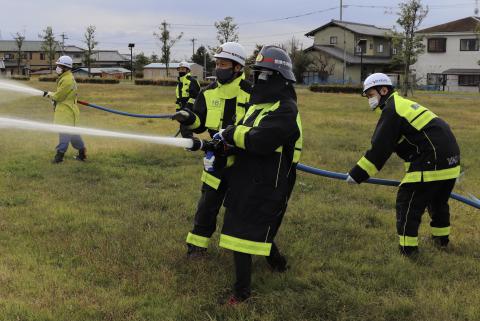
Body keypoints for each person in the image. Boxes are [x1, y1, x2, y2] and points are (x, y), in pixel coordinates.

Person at [214, 45, 302, 303]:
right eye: (257, 73)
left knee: (242, 233)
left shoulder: (286, 109)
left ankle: (241, 295)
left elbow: (261, 140)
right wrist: (221, 146)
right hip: (247, 175)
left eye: (263, 74)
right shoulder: (258, 105)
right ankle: (279, 264)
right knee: (253, 225)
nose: (257, 79)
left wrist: (229, 134)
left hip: (270, 181)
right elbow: (243, 133)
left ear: (278, 77)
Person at [347, 73, 461, 256]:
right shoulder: (402, 105)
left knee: (408, 202)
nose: (369, 99)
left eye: (370, 95)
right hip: (451, 159)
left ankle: (408, 250)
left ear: (383, 90)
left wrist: (357, 174)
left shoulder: (393, 110)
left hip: (432, 159)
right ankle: (441, 241)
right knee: (437, 201)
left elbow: (380, 148)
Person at [172, 42, 252, 257]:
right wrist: (188, 119)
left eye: (223, 64)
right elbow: (200, 122)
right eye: (217, 63)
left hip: (243, 162)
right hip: (215, 160)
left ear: (237, 67)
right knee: (207, 206)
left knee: (242, 209)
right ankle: (196, 248)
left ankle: (249, 249)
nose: (218, 68)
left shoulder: (252, 94)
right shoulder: (208, 93)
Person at [43, 56, 87, 163]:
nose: (57, 68)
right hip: (68, 111)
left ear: (65, 67)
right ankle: (82, 153)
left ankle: (59, 157)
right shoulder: (66, 78)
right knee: (73, 135)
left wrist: (48, 94)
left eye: (59, 66)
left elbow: (58, 96)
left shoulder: (67, 80)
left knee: (64, 134)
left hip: (66, 112)